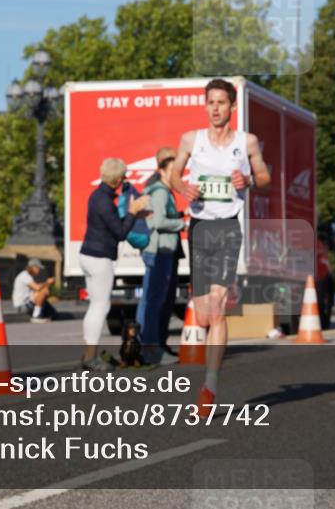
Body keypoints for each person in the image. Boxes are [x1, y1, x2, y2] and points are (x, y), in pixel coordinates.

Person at [171, 78, 270, 415]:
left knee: (216, 306)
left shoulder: (247, 142)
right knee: (201, 314)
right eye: (210, 102)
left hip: (228, 226)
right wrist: (184, 188)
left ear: (231, 106)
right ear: (205, 105)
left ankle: (209, 387)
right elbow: (172, 174)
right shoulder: (191, 139)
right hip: (199, 228)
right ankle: (209, 380)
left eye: (221, 103)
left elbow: (266, 177)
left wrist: (250, 180)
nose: (215, 108)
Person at [78, 158, 150, 371]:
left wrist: (135, 214)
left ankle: (87, 354)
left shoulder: (97, 196)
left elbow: (111, 223)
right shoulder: (104, 200)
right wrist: (133, 211)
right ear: (118, 179)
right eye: (124, 177)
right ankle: (90, 358)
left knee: (95, 306)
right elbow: (119, 233)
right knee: (101, 306)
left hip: (88, 255)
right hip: (100, 258)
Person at [135, 153, 185, 364]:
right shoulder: (161, 193)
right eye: (173, 170)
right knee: (155, 301)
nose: (177, 174)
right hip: (159, 250)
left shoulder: (163, 191)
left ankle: (154, 346)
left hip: (162, 250)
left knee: (156, 300)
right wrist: (183, 224)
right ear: (162, 171)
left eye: (179, 171)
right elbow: (158, 221)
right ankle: (151, 349)